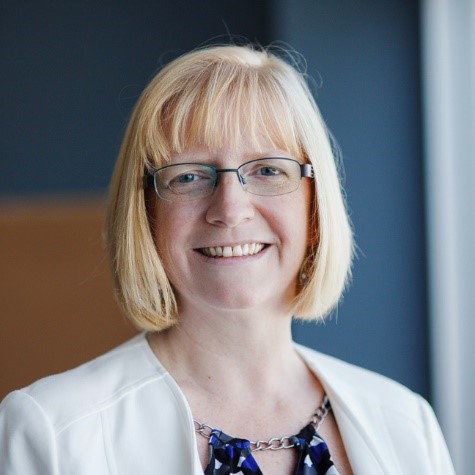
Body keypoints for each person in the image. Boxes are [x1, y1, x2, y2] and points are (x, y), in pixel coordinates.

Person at [0, 44, 454, 475]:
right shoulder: (53, 432)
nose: (231, 209)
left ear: (314, 209)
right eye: (190, 176)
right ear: (146, 214)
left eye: (268, 170)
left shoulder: (406, 422)